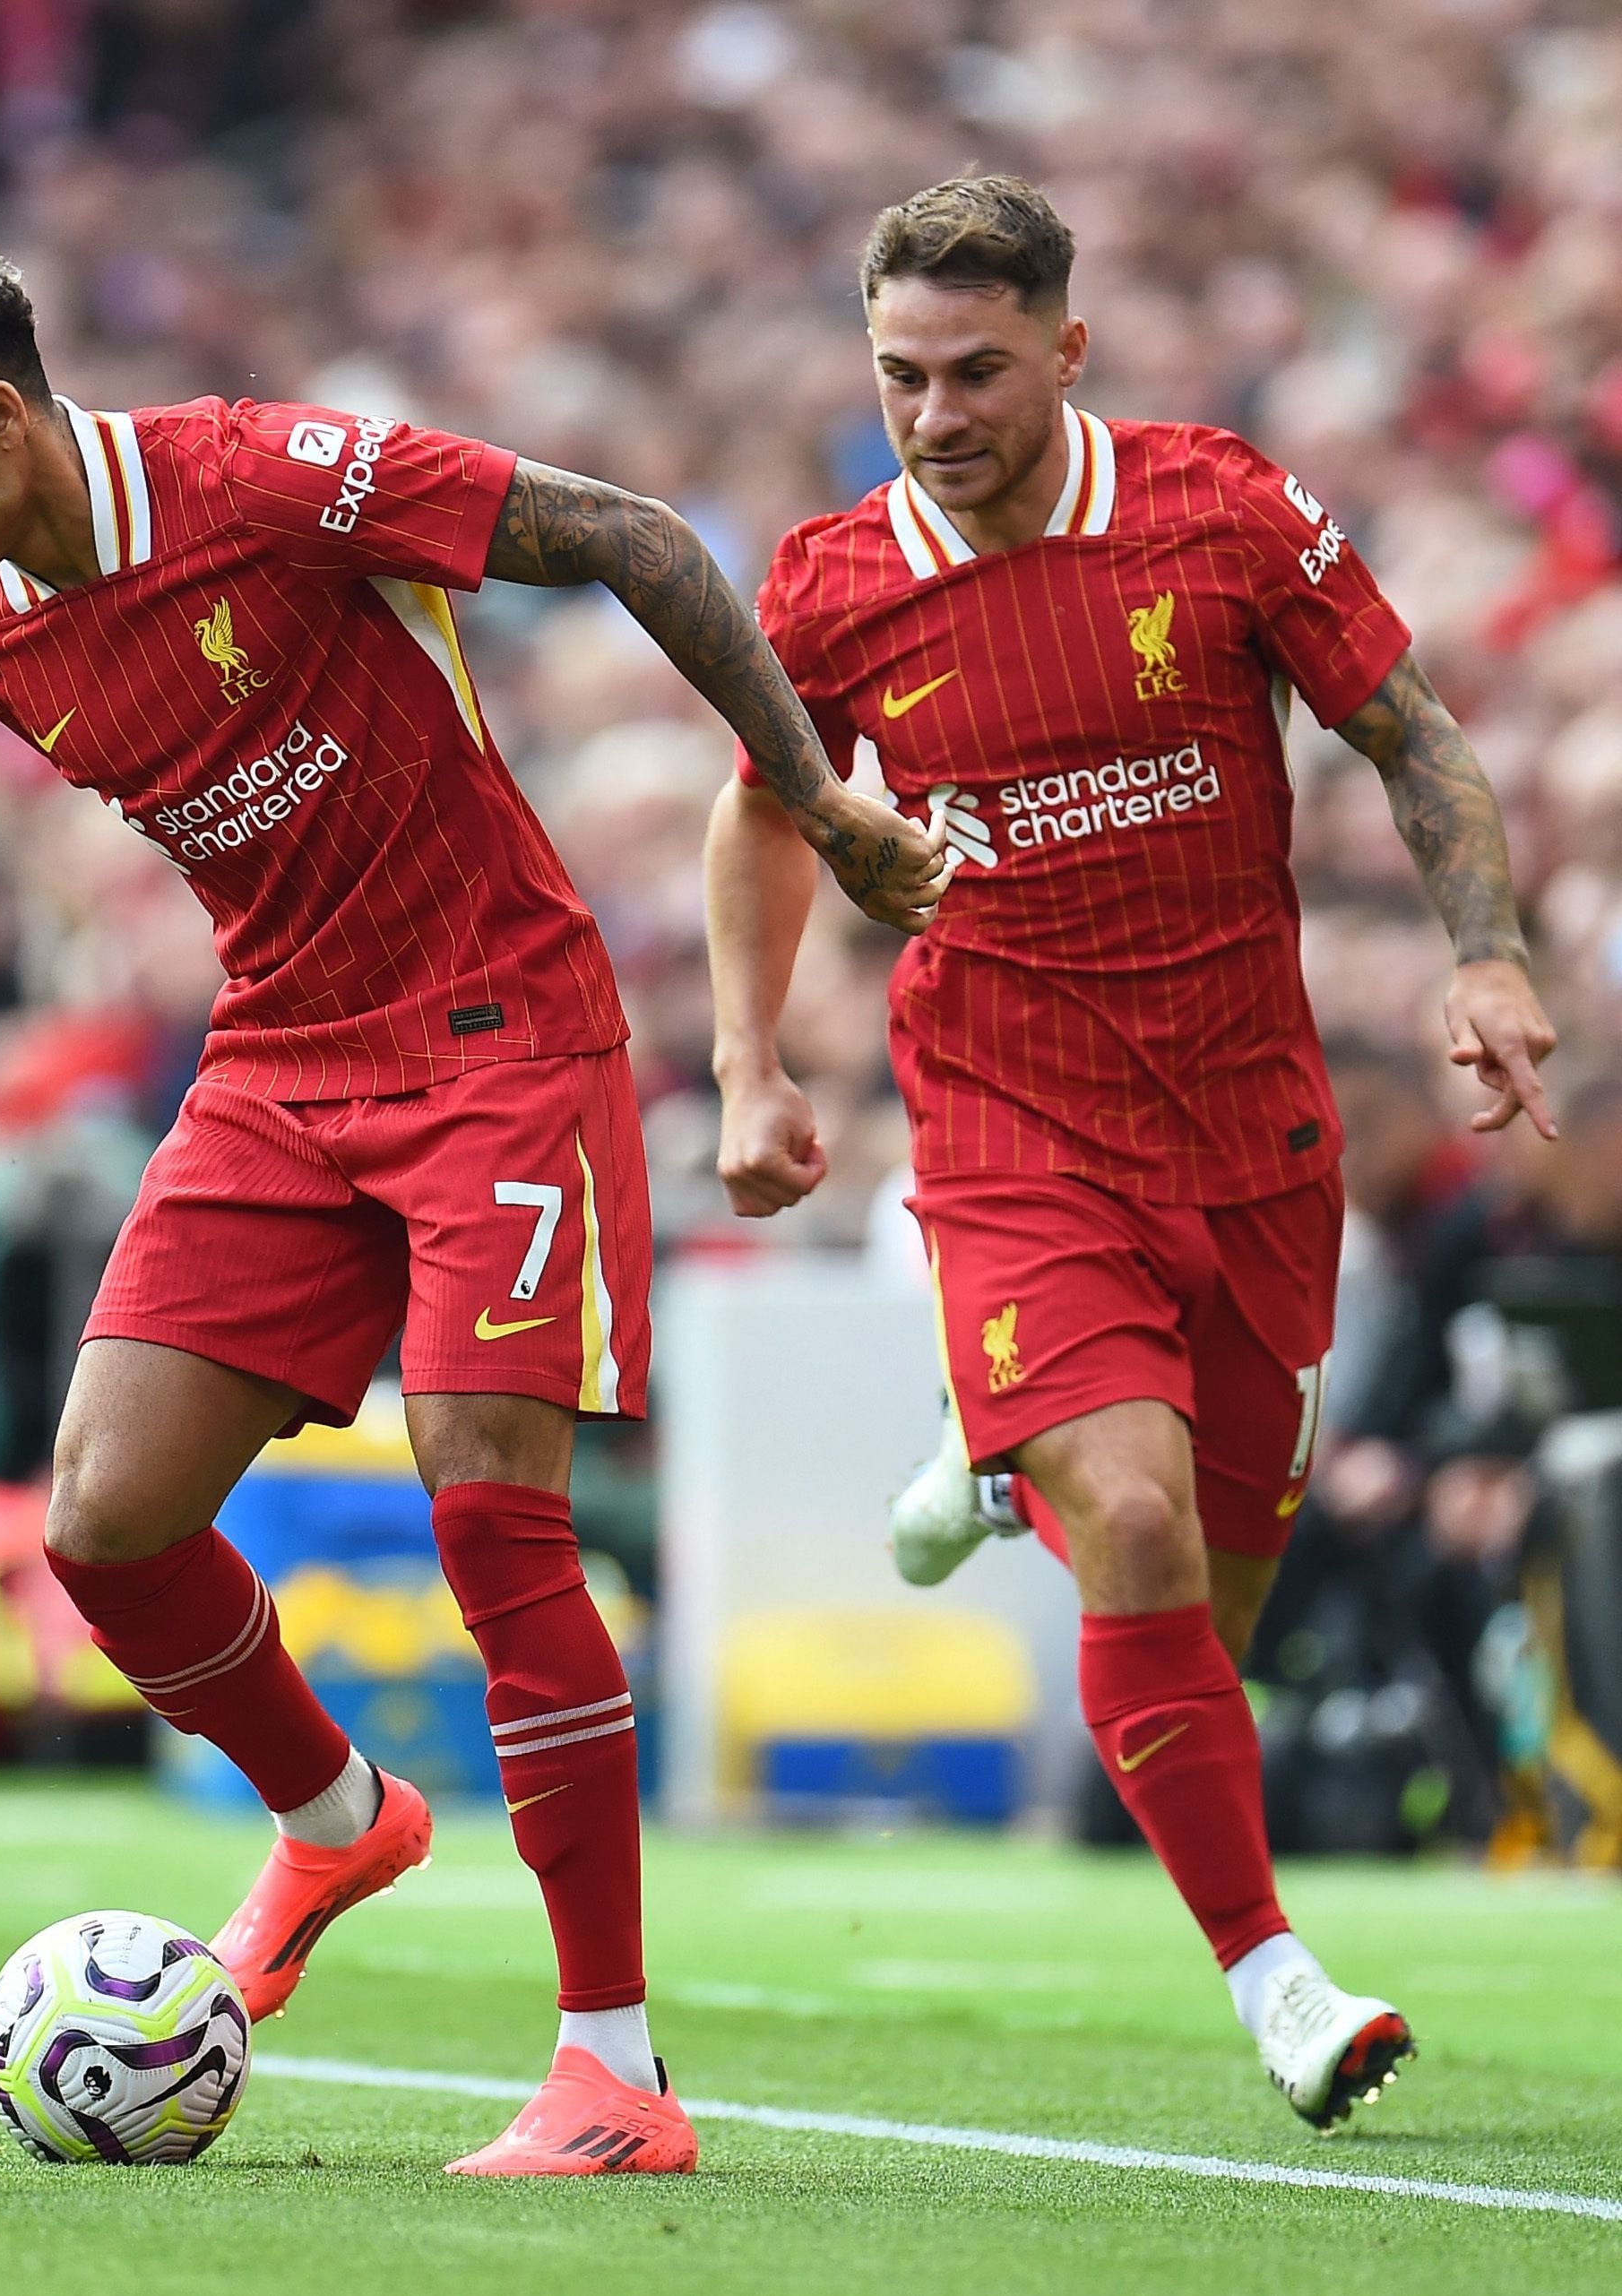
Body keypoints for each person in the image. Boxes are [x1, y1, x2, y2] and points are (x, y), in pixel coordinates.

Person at [0, 227, 945, 2179]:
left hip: (500, 1028)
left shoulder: (260, 480)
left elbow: (637, 536)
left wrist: (815, 797)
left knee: (491, 1506)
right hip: (281, 1063)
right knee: (105, 1523)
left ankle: (614, 2072)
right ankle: (336, 1819)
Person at [702, 176, 1560, 2132]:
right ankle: (1280, 1984)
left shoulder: (1217, 508)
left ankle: (997, 1460)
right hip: (1011, 1119)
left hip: (1253, 1130)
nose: (937, 414)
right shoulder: (836, 583)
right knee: (1146, 1527)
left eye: (980, 371)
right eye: (903, 374)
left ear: (1068, 351)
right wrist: (751, 1063)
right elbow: (763, 816)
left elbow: (1411, 734)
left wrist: (1492, 958)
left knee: (1204, 1617)